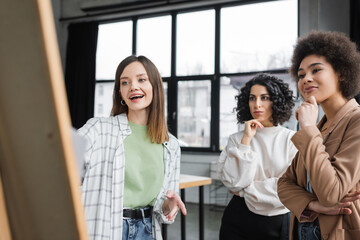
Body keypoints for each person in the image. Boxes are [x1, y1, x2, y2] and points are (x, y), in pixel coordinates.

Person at [77, 55, 186, 240]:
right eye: (125, 82)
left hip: (147, 230)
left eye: (141, 79)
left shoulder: (172, 145)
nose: (133, 86)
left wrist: (168, 205)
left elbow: (163, 206)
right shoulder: (99, 129)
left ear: (155, 87)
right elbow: (62, 165)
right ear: (120, 92)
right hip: (105, 229)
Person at [277, 31, 360, 240]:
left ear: (341, 72)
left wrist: (307, 128)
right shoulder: (318, 127)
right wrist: (314, 204)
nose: (306, 79)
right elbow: (285, 184)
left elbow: (332, 193)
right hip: (303, 230)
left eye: (316, 70)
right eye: (301, 74)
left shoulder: (356, 120)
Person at [218, 73, 297, 240]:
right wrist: (246, 140)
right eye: (252, 98)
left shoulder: (292, 139)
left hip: (278, 220)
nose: (257, 104)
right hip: (237, 219)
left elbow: (289, 188)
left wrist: (245, 190)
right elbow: (231, 182)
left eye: (265, 98)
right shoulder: (237, 139)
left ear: (277, 101)